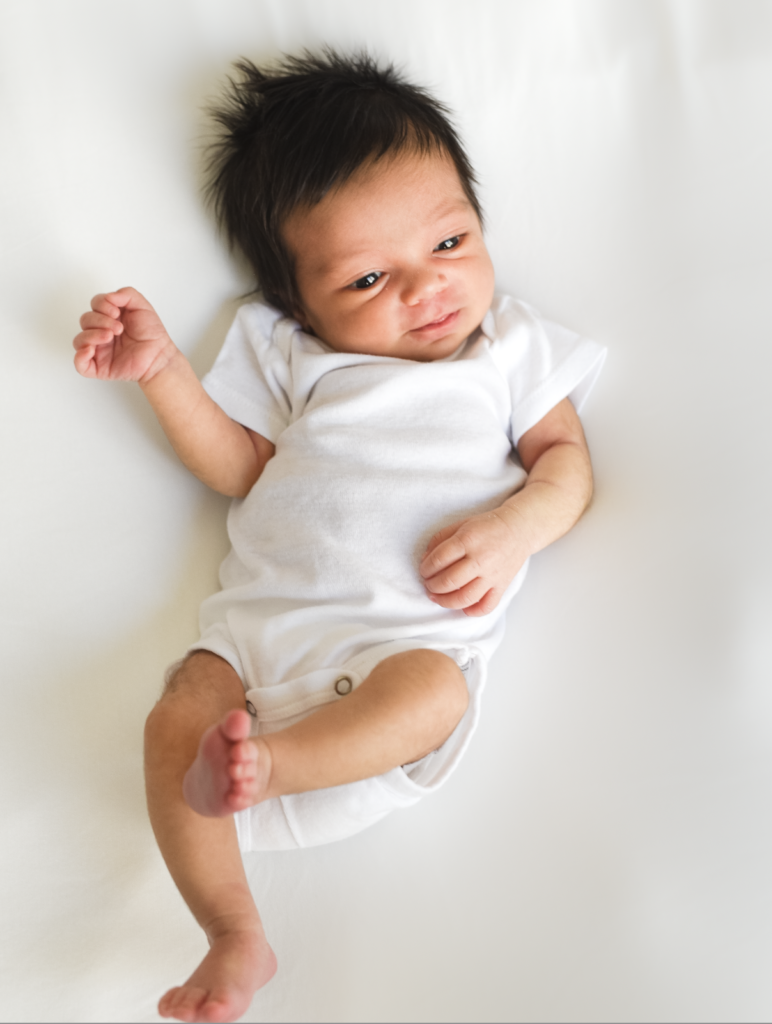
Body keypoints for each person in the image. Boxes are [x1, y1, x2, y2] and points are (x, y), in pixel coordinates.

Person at [73, 50, 605, 1024]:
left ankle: (274, 765)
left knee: (437, 694)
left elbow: (567, 461)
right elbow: (240, 465)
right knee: (174, 712)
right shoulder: (287, 353)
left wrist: (514, 527)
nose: (426, 288)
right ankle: (233, 931)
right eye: (367, 277)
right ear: (298, 299)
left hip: (400, 643)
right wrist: (161, 374)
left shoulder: (510, 349)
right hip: (256, 637)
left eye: (450, 240)